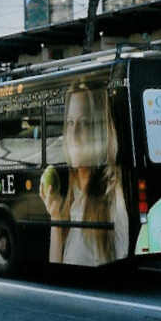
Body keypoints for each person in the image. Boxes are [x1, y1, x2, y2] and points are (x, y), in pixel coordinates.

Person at [39, 83, 128, 266]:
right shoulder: (70, 195)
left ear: (101, 130)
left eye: (85, 123)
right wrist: (55, 216)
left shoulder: (112, 192)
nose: (74, 133)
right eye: (70, 123)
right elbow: (58, 266)